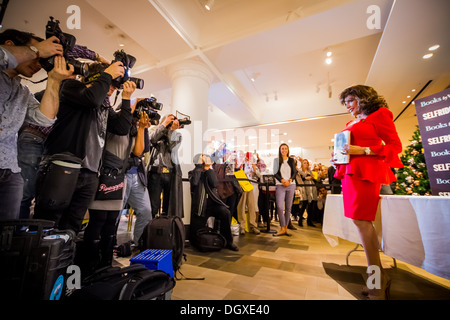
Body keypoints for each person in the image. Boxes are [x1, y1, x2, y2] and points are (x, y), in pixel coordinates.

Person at [33, 60, 131, 233]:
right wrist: (107, 75)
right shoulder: (71, 87)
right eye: (111, 83)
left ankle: (64, 259)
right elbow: (91, 99)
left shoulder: (104, 105)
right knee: (48, 223)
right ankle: (40, 259)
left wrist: (126, 99)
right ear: (97, 77)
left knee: (72, 225)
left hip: (90, 173)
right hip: (63, 165)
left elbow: (122, 128)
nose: (113, 88)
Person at [17, 46, 110, 219]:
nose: (74, 68)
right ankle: (19, 234)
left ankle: (25, 232)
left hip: (48, 141)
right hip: (34, 137)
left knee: (31, 193)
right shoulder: (68, 85)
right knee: (25, 193)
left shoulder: (73, 87)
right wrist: (96, 56)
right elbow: (63, 49)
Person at [332, 84, 403, 300]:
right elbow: (349, 149)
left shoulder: (380, 114)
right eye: (345, 103)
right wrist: (338, 159)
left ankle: (377, 283)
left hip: (366, 174)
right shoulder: (351, 122)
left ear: (364, 98)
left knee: (363, 224)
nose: (348, 106)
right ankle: (378, 278)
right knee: (360, 223)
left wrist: (363, 150)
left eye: (351, 100)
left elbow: (395, 146)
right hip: (351, 174)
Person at [0, 29, 73, 220]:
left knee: (6, 236)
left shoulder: (23, 91)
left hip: (9, 170)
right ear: (9, 45)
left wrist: (55, 80)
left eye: (41, 59)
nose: (39, 64)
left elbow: (45, 119)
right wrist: (36, 49)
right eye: (36, 57)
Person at [79, 84, 138, 276]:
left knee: (112, 221)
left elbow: (138, 151)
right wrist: (130, 101)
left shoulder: (131, 128)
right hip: (104, 173)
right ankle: (89, 267)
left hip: (118, 176)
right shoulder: (112, 118)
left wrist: (141, 126)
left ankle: (106, 265)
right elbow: (120, 127)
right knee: (98, 221)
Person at [189, 153, 238, 251]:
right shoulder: (193, 172)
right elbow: (194, 182)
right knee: (196, 236)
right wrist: (199, 167)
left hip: (213, 204)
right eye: (205, 158)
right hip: (201, 206)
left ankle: (228, 241)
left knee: (225, 213)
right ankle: (199, 242)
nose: (208, 159)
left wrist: (208, 169)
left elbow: (214, 183)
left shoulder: (211, 171)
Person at [147, 114, 183, 218]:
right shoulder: (156, 131)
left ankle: (165, 230)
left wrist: (171, 130)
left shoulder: (178, 135)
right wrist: (164, 125)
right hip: (156, 172)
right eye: (171, 120)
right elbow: (151, 139)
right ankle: (151, 229)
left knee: (169, 208)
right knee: (153, 206)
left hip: (170, 173)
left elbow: (172, 147)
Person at [272, 143, 297, 237]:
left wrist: (290, 180)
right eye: (282, 149)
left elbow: (295, 172)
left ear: (288, 150)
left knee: (288, 208)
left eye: (285, 148)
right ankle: (282, 227)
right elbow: (275, 173)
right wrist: (282, 180)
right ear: (280, 150)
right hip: (280, 185)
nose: (284, 150)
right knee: (279, 206)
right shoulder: (276, 160)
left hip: (291, 185)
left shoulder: (291, 160)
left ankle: (285, 228)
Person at [235, 150, 260, 235]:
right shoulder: (240, 164)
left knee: (252, 205)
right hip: (242, 186)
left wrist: (253, 167)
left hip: (250, 186)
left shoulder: (253, 165)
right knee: (241, 206)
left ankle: (253, 225)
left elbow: (259, 175)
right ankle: (242, 226)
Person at [298, 158, 318, 227]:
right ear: (302, 164)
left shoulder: (309, 170)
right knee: (304, 204)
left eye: (306, 163)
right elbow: (300, 179)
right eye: (304, 163)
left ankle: (309, 221)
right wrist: (307, 178)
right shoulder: (300, 170)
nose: (306, 164)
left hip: (312, 188)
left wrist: (310, 177)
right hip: (305, 188)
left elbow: (313, 177)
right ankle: (300, 220)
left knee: (311, 205)